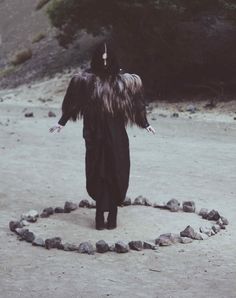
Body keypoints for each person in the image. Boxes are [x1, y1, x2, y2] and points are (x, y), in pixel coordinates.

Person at [49, 43, 155, 230]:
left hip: (116, 133)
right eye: (101, 60)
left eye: (108, 60)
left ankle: (112, 215)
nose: (104, 63)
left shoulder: (123, 81)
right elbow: (74, 103)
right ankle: (99, 216)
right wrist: (61, 122)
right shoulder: (85, 80)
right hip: (94, 132)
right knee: (98, 171)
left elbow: (137, 103)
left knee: (116, 169)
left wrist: (145, 123)